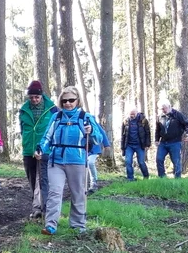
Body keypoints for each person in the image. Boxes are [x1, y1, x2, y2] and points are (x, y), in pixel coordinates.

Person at [38, 86, 106, 236]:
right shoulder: (56, 117)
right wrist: (41, 149)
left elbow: (98, 139)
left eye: (71, 100)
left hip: (77, 160)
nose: (68, 103)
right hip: (56, 161)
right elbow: (47, 137)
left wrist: (91, 131)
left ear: (77, 101)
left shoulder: (85, 117)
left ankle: (77, 225)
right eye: (64, 101)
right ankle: (50, 225)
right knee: (54, 192)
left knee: (78, 193)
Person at [18, 81, 57, 219]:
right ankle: (37, 206)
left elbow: (55, 130)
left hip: (44, 150)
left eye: (37, 97)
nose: (34, 99)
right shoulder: (23, 110)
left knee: (43, 180)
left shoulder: (52, 109)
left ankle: (42, 209)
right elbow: (23, 129)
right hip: (28, 150)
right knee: (32, 179)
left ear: (41, 95)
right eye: (32, 97)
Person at [155, 101, 188, 178]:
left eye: (164, 109)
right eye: (161, 109)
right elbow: (158, 130)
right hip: (163, 142)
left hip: (175, 142)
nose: (163, 111)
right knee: (159, 159)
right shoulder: (160, 116)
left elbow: (187, 125)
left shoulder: (178, 115)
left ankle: (177, 178)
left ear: (169, 106)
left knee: (176, 161)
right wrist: (156, 139)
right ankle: (162, 177)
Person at [120, 108, 152, 181]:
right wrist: (122, 147)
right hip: (129, 145)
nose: (132, 115)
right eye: (130, 114)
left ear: (137, 113)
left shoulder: (143, 121)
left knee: (141, 162)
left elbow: (148, 133)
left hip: (140, 145)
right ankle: (130, 178)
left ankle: (146, 176)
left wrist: (147, 144)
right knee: (128, 161)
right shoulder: (125, 121)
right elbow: (123, 135)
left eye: (133, 114)